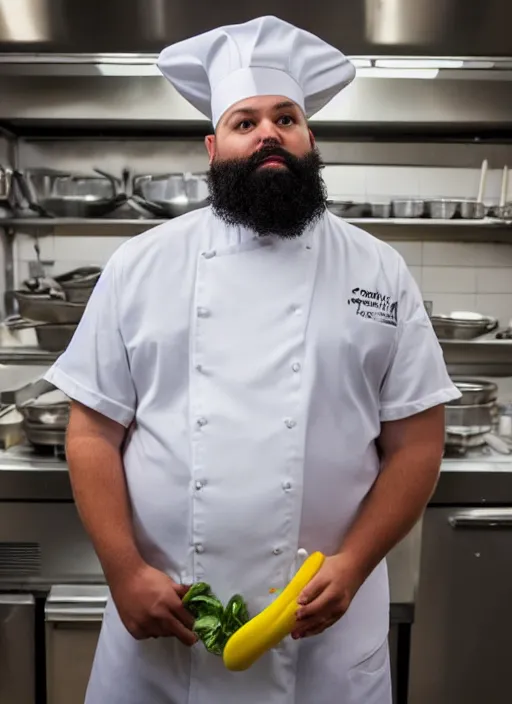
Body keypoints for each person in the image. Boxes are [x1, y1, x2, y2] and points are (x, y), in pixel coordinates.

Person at [44, 15, 460, 704]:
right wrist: (122, 570)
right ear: (214, 147)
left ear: (309, 140)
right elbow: (92, 432)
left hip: (325, 634)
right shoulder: (143, 264)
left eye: (286, 117)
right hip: (164, 626)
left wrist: (354, 564)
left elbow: (417, 444)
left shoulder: (377, 270)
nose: (269, 132)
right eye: (246, 121)